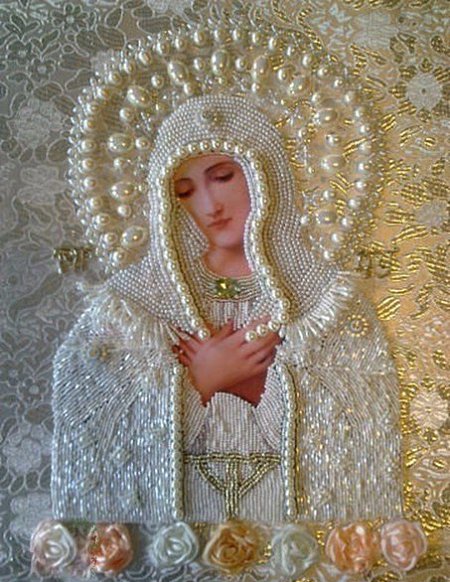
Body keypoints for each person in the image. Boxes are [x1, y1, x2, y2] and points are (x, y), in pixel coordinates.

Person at [51, 94, 403, 525]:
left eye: (222, 177)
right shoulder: (135, 304)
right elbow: (90, 417)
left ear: (266, 175)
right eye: (184, 192)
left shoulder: (326, 302)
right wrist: (200, 380)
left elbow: (364, 419)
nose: (209, 206)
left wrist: (254, 382)